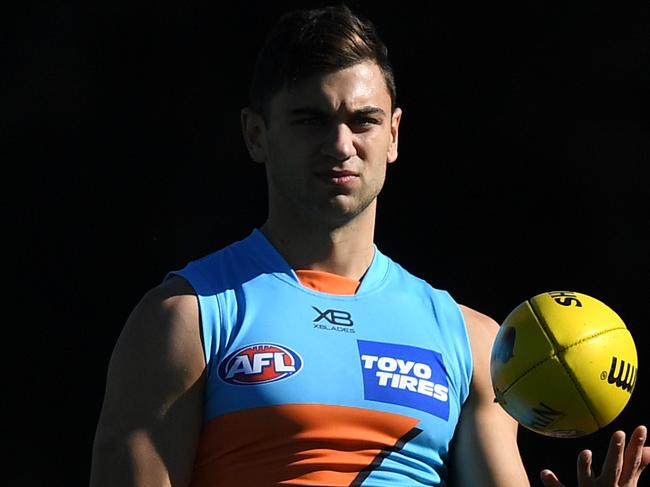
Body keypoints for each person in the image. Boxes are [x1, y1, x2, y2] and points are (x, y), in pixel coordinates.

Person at [89, 4, 649, 486]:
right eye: (310, 119)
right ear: (256, 135)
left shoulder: (471, 341)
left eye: (363, 120)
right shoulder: (186, 319)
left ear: (395, 135)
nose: (341, 144)